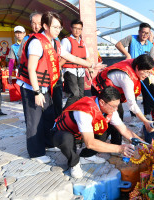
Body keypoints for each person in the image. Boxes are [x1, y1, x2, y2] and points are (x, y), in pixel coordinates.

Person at [16, 11, 105, 164]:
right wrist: (37, 92)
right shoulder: (37, 42)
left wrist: (90, 64)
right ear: (45, 26)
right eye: (55, 27)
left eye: (59, 27)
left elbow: (71, 57)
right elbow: (31, 69)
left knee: (48, 116)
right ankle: (36, 153)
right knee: (34, 120)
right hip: (32, 88)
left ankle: (48, 143)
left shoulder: (55, 42)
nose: (58, 30)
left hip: (46, 86)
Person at [52, 87, 141, 178]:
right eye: (113, 106)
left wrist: (143, 144)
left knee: (109, 125)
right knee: (65, 139)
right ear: (102, 102)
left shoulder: (110, 108)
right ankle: (74, 163)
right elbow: (90, 143)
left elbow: (124, 129)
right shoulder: (85, 110)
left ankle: (87, 156)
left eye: (117, 106)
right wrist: (119, 148)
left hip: (83, 134)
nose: (116, 109)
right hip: (66, 133)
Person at [92, 54, 154, 148]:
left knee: (118, 115)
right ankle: (97, 144)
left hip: (113, 91)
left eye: (149, 72)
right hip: (99, 88)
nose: (147, 75)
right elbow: (132, 104)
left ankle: (116, 143)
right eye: (146, 72)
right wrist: (145, 121)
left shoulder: (137, 63)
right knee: (105, 117)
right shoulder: (126, 78)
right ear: (138, 67)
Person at [115, 23, 154, 117]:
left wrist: (149, 73)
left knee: (146, 93)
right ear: (139, 32)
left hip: (144, 73)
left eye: (147, 33)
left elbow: (152, 60)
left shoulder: (150, 45)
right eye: (143, 32)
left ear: (149, 34)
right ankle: (134, 115)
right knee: (133, 93)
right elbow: (118, 44)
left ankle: (147, 113)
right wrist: (127, 55)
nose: (144, 35)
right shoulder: (131, 38)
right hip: (131, 72)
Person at [59, 19, 90, 109]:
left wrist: (91, 69)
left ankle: (75, 113)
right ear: (71, 28)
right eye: (75, 28)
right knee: (74, 94)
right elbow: (63, 56)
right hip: (70, 71)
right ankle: (64, 114)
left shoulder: (82, 42)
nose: (77, 31)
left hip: (81, 71)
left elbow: (87, 57)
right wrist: (58, 68)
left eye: (80, 29)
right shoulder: (66, 41)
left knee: (81, 95)